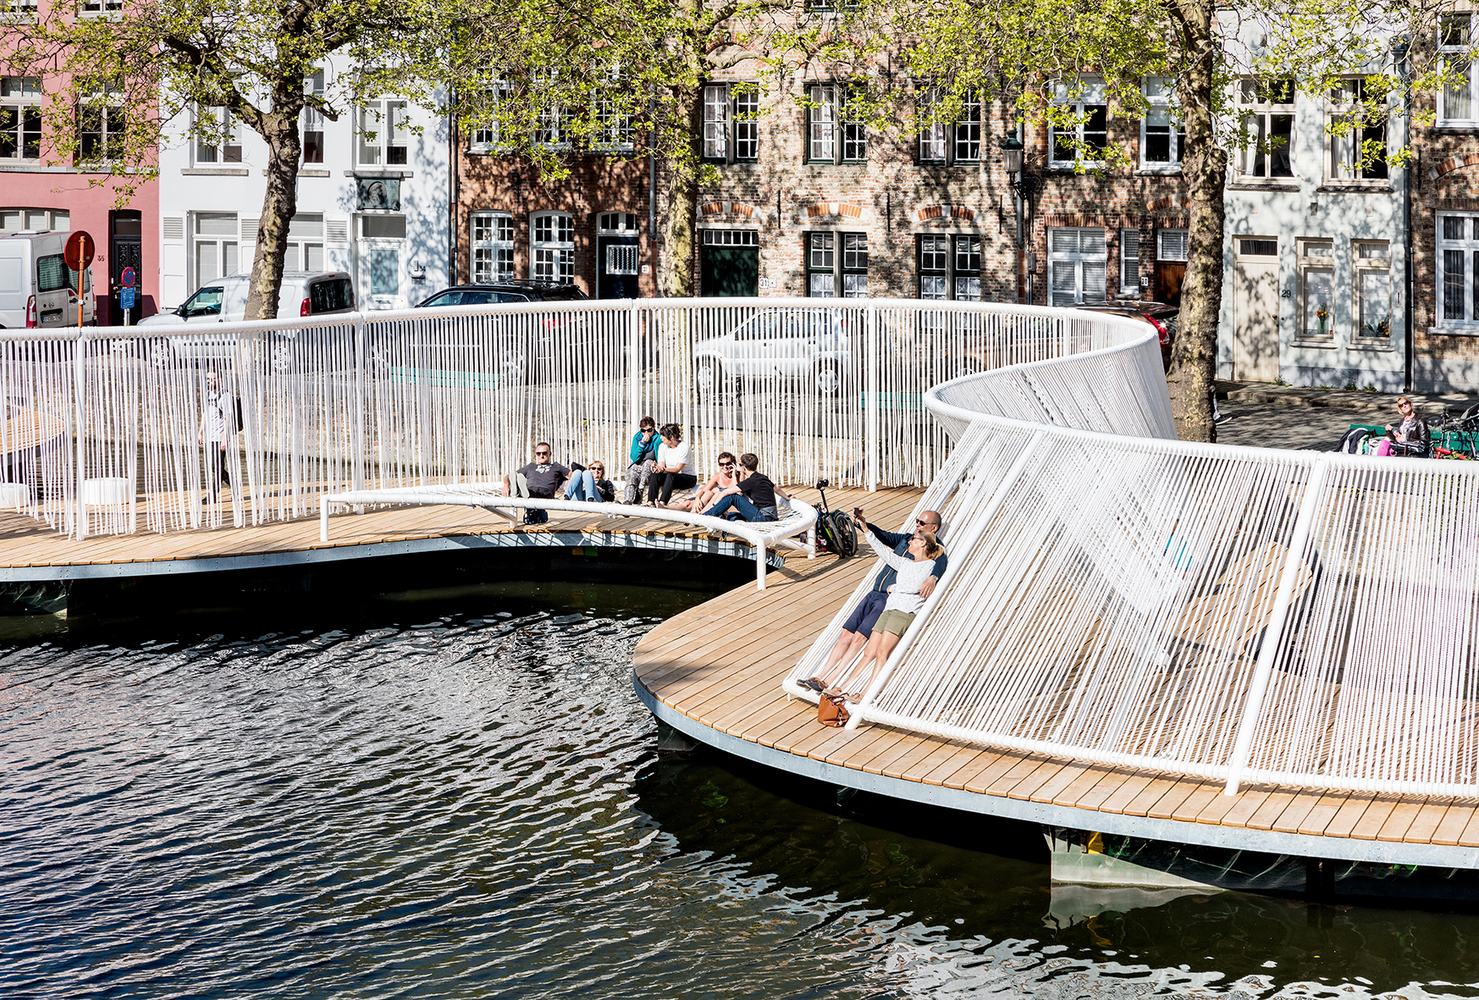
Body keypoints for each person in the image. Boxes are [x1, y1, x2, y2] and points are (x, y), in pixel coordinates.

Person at [805, 508, 947, 691]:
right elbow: (883, 539)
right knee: (847, 634)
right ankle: (822, 677)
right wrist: (864, 525)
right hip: (875, 592)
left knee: (864, 641)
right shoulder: (906, 541)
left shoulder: (934, 552)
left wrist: (933, 578)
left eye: (922, 523)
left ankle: (835, 682)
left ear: (933, 528)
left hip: (890, 601)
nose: (917, 525)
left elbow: (941, 563)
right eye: (917, 521)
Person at [198, 370, 238, 505]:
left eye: (212, 379)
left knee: (218, 466)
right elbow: (205, 413)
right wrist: (200, 431)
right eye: (208, 379)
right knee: (213, 466)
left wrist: (224, 438)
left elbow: (228, 418)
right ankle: (234, 484)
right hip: (209, 436)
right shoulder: (208, 394)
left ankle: (213, 495)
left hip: (219, 436)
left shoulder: (225, 396)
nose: (209, 381)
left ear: (219, 380)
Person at [502, 443, 570, 523]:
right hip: (530, 490)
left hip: (545, 493)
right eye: (538, 453)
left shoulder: (556, 466)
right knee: (526, 488)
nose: (541, 456)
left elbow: (572, 474)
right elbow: (509, 476)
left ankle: (520, 492)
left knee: (530, 492)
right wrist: (506, 485)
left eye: (544, 453)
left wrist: (569, 482)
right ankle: (520, 491)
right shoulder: (530, 466)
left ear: (550, 454)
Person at [701, 452, 777, 521]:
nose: (725, 466)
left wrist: (713, 505)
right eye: (722, 464)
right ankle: (727, 527)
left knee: (733, 497)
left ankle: (706, 516)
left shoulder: (749, 481)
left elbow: (728, 493)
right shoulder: (762, 477)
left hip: (762, 517)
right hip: (770, 516)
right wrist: (786, 497)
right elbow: (777, 489)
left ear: (743, 468)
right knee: (731, 515)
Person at [647, 423, 697, 507]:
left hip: (688, 478)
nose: (661, 438)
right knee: (656, 474)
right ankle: (650, 502)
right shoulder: (662, 446)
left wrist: (663, 469)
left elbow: (677, 469)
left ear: (671, 437)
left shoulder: (684, 447)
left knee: (671, 475)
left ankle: (662, 503)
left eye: (663, 436)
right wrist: (656, 468)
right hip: (670, 478)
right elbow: (661, 465)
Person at [672, 451, 737, 512]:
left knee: (714, 494)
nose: (725, 467)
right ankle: (667, 509)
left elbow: (738, 493)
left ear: (733, 464)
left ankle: (696, 515)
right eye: (722, 464)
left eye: (728, 464)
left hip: (726, 503)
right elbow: (704, 490)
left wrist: (734, 476)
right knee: (688, 503)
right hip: (713, 501)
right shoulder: (717, 476)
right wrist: (698, 498)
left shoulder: (739, 475)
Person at [621, 416, 660, 504]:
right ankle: (627, 500)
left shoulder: (658, 439)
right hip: (639, 465)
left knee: (648, 462)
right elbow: (634, 457)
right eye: (643, 431)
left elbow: (660, 457)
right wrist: (642, 444)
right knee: (631, 473)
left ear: (653, 428)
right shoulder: (637, 437)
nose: (646, 433)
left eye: (649, 430)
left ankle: (640, 490)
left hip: (651, 468)